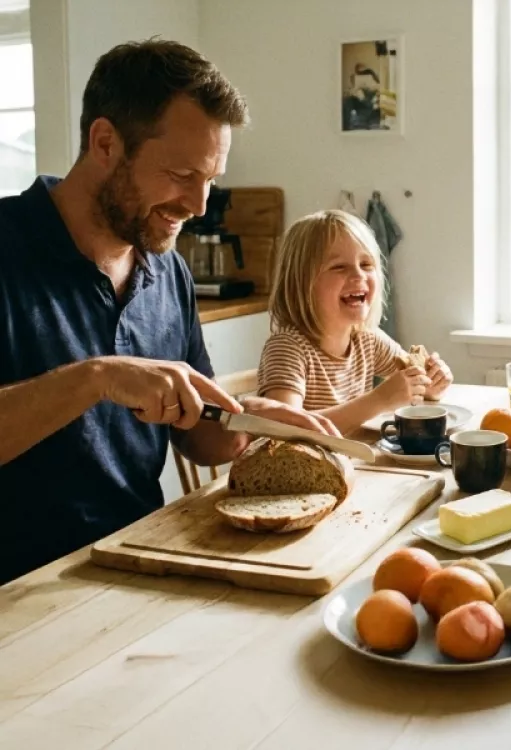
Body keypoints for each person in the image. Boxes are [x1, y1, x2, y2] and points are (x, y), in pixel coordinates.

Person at [0, 40, 337, 586]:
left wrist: (245, 421)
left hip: (138, 562)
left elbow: (196, 434)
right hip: (19, 592)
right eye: (182, 174)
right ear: (105, 142)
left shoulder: (168, 271)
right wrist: (97, 377)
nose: (200, 206)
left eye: (211, 179)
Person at [257, 209, 453, 433]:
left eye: (367, 264)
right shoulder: (287, 348)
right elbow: (282, 428)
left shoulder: (367, 339)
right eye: (339, 267)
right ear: (300, 283)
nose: (359, 275)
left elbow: (414, 385)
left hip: (351, 463)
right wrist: (378, 400)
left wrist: (432, 384)